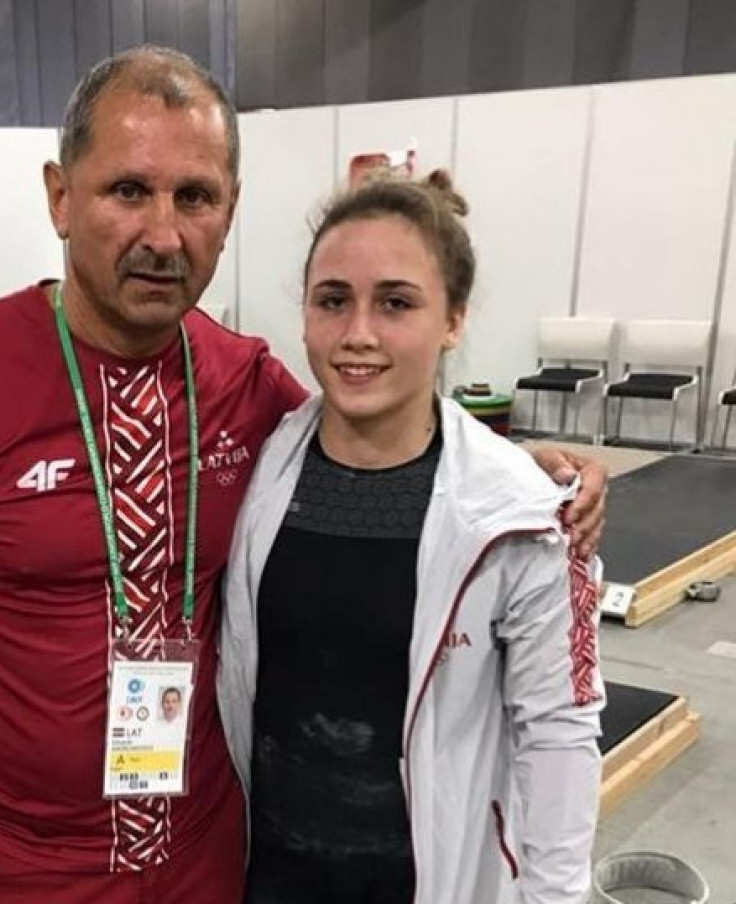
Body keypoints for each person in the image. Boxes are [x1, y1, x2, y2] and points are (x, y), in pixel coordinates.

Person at [0, 47, 607, 904]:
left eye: (194, 197)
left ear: (230, 210)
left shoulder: (249, 383)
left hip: (213, 858)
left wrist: (513, 472)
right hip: (25, 867)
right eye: (128, 191)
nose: (164, 236)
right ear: (60, 196)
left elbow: (377, 431)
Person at [218, 171, 605, 904]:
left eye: (396, 303)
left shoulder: (522, 519)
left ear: (453, 319)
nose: (358, 334)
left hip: (433, 885)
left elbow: (559, 734)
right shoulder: (259, 463)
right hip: (267, 880)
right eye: (333, 300)